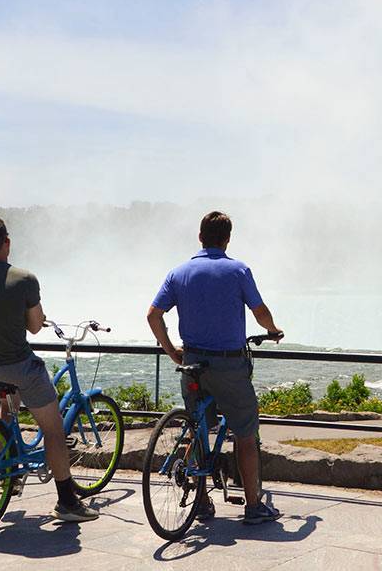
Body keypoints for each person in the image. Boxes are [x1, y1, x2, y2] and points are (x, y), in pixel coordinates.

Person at [0, 216, 98, 523]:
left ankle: (9, 469)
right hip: (19, 367)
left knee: (7, 404)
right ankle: (67, 502)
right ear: (7, 242)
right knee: (54, 431)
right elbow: (34, 327)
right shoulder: (24, 279)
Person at [147, 210, 284, 526]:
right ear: (227, 239)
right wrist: (274, 330)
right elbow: (259, 311)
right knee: (246, 435)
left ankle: (202, 501)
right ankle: (253, 507)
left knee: (197, 430)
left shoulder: (178, 273)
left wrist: (171, 352)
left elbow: (154, 315)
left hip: (191, 362)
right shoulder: (238, 270)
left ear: (199, 237)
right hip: (229, 365)